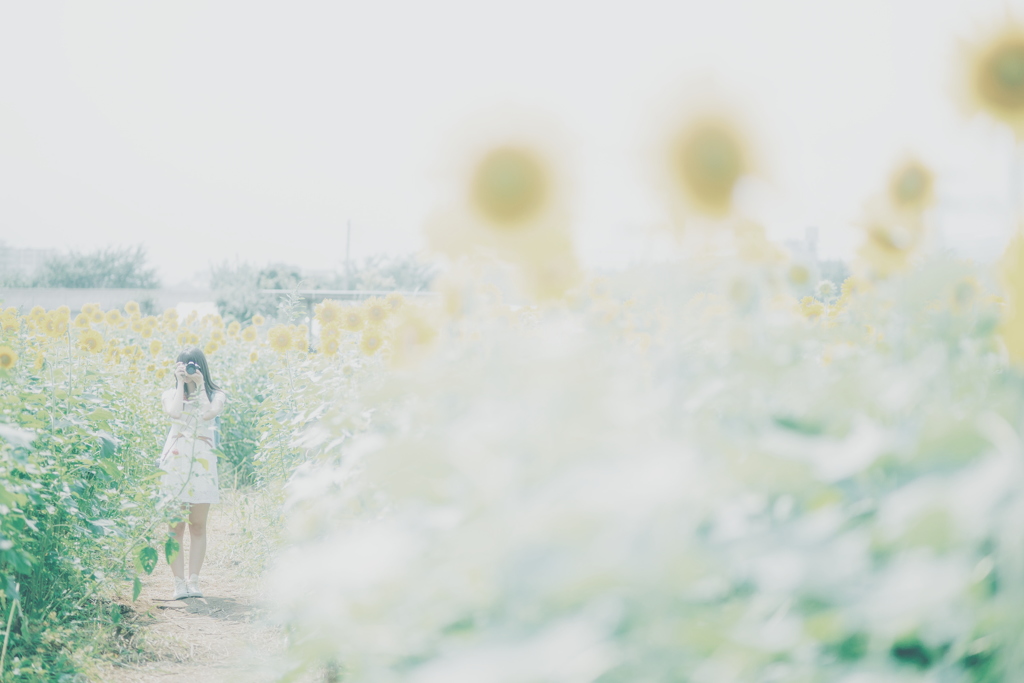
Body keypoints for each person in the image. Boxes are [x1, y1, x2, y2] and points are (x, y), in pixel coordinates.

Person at [158, 347, 227, 600]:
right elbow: (175, 413)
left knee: (198, 526)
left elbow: (208, 414)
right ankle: (178, 583)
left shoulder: (216, 394)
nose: (187, 372)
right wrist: (180, 384)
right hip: (175, 464)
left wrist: (198, 388)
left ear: (201, 368)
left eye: (192, 367)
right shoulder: (169, 394)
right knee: (174, 528)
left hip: (202, 464)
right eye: (183, 367)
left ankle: (194, 581)